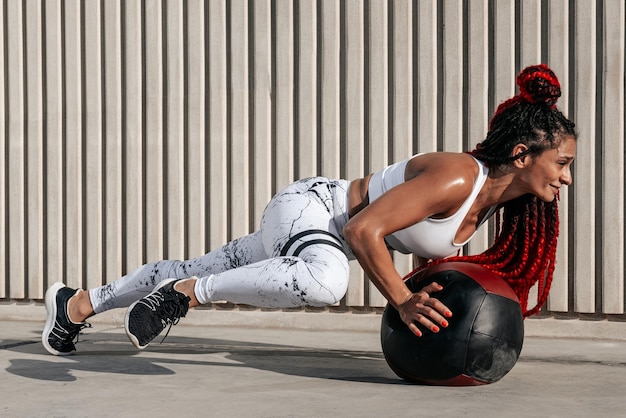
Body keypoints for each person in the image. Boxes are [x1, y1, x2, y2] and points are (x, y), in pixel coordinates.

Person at [42, 64, 577, 356]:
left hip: (317, 235)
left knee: (197, 265)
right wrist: (405, 302)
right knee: (325, 281)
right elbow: (367, 228)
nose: (568, 177)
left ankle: (75, 306)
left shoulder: (487, 208)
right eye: (563, 162)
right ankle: (185, 296)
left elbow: (408, 246)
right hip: (314, 211)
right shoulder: (459, 176)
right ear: (522, 154)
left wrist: (425, 301)